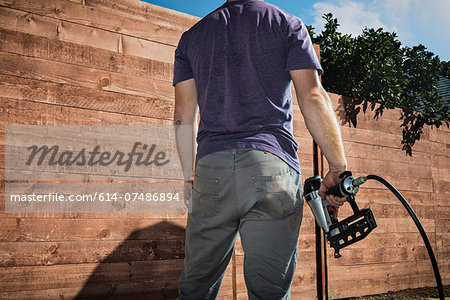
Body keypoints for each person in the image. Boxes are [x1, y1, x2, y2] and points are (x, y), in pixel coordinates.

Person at [173, 0, 347, 299]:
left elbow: (182, 117)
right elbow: (313, 96)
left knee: (196, 289)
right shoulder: (287, 24)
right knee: (270, 292)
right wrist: (338, 168)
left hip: (212, 170)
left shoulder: (192, 37)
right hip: (272, 167)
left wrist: (190, 176)